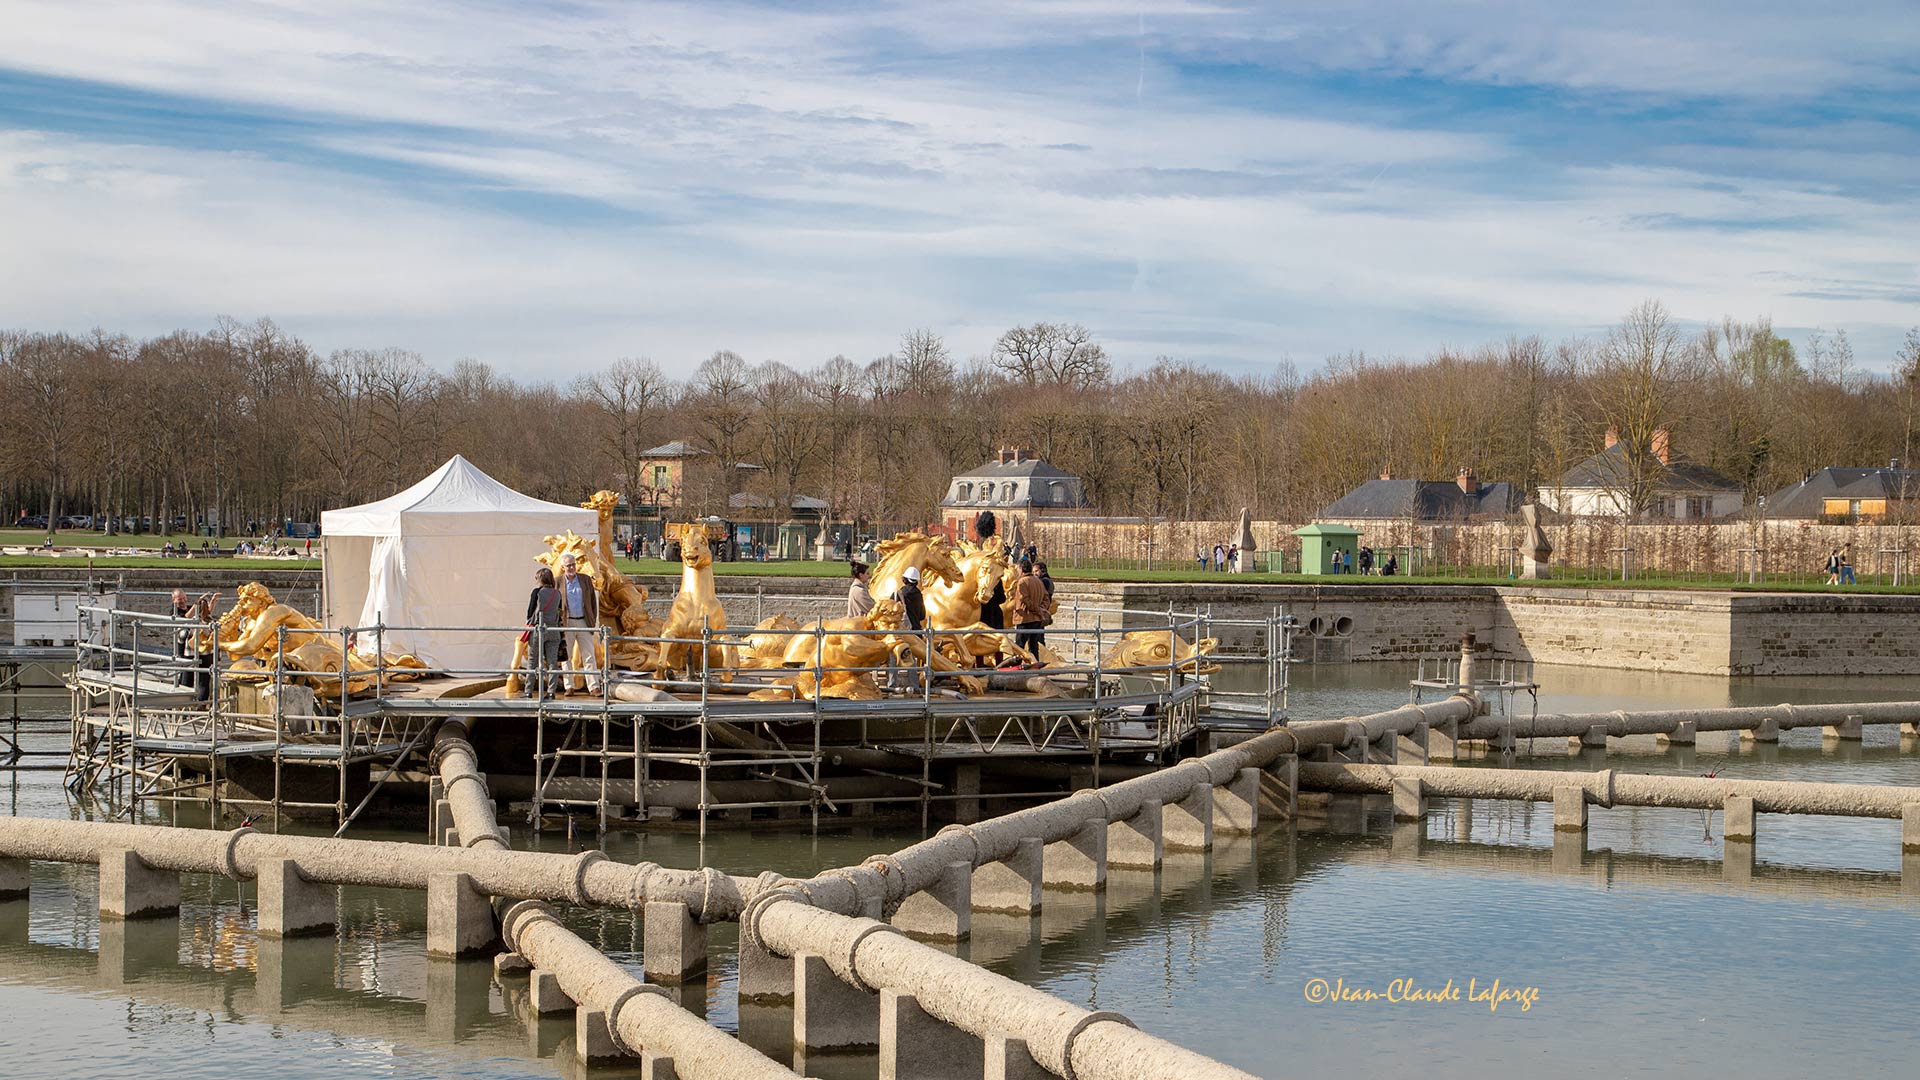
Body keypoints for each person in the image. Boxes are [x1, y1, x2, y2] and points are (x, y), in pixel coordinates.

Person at [558, 554, 600, 693]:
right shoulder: (557, 582)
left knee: (589, 655)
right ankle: (569, 686)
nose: (571, 567)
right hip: (567, 623)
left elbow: (593, 602)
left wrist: (592, 620)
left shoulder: (585, 579)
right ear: (563, 567)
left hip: (583, 621)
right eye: (568, 565)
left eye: (573, 564)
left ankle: (594, 687)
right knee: (566, 656)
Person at [523, 567, 564, 696]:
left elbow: (530, 611)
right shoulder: (557, 594)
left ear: (540, 579)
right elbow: (559, 611)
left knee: (532, 661)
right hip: (553, 629)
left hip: (538, 629)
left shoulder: (537, 592)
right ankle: (551, 692)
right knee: (552, 662)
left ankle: (528, 691)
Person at [974, 511, 1007, 630]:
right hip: (996, 618)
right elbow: (1002, 599)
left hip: (982, 617)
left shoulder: (983, 544)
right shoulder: (996, 582)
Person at [1009, 559, 1050, 654]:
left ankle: (1018, 667)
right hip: (1036, 619)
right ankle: (1035, 666)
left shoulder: (1022, 582)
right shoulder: (1038, 581)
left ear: (1021, 569)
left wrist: (1037, 609)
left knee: (1020, 647)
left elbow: (1025, 599)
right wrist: (1042, 609)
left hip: (1025, 618)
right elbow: (1046, 598)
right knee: (1034, 646)